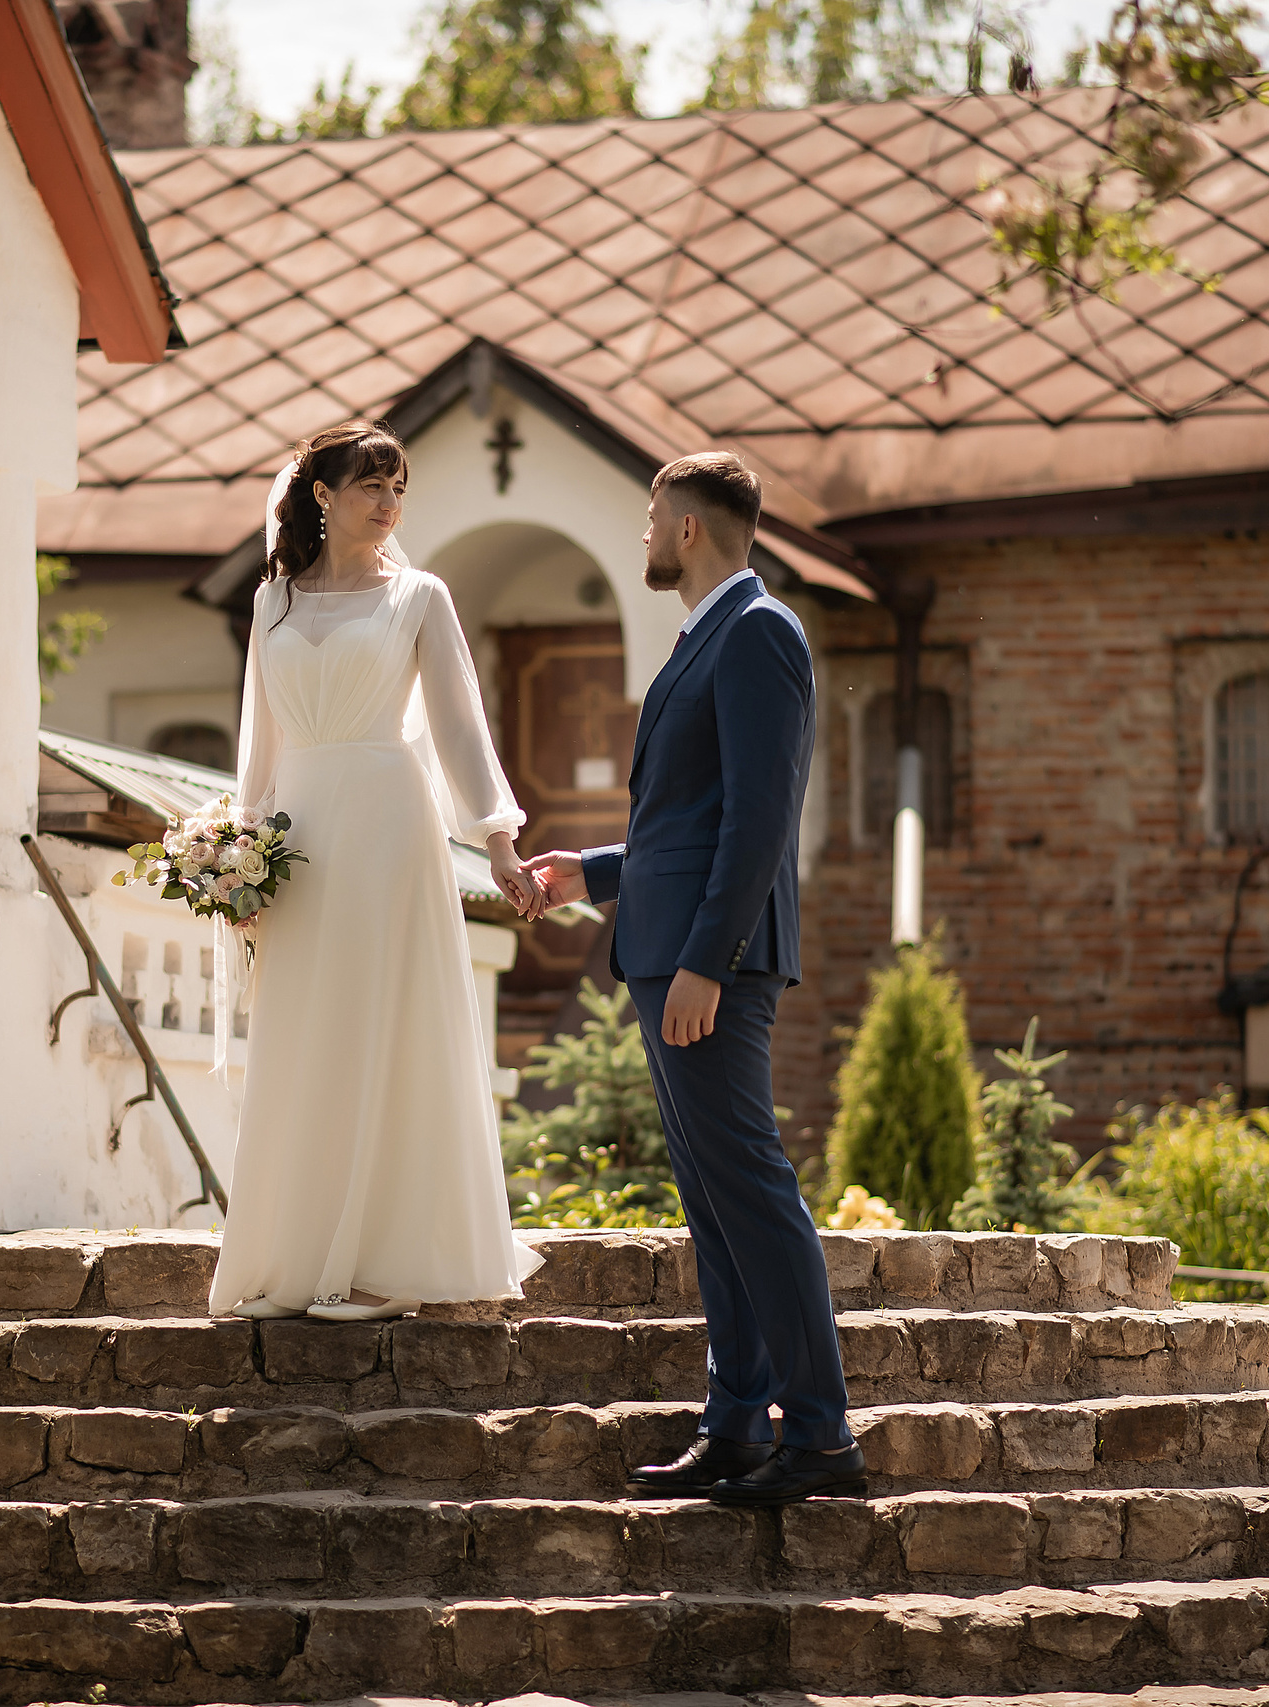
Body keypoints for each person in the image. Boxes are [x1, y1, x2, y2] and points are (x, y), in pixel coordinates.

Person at [526, 452, 863, 1505]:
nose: (642, 534)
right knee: (717, 1204)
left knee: (752, 1192)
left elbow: (760, 821)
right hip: (665, 950)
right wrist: (591, 872)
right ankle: (735, 1424)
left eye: (651, 517)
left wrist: (707, 963)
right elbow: (690, 823)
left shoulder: (759, 630)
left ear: (687, 529)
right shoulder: (706, 633)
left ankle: (820, 1436)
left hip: (707, 965)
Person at [205, 420, 548, 1325]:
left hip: (392, 832)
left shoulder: (421, 597)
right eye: (371, 485)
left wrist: (499, 839)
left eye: (399, 488)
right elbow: (259, 744)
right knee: (307, 1036)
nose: (390, 503)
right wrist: (239, 861)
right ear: (322, 494)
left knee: (389, 1029)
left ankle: (390, 1262)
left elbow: (460, 728)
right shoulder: (272, 601)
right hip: (300, 836)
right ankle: (297, 1258)